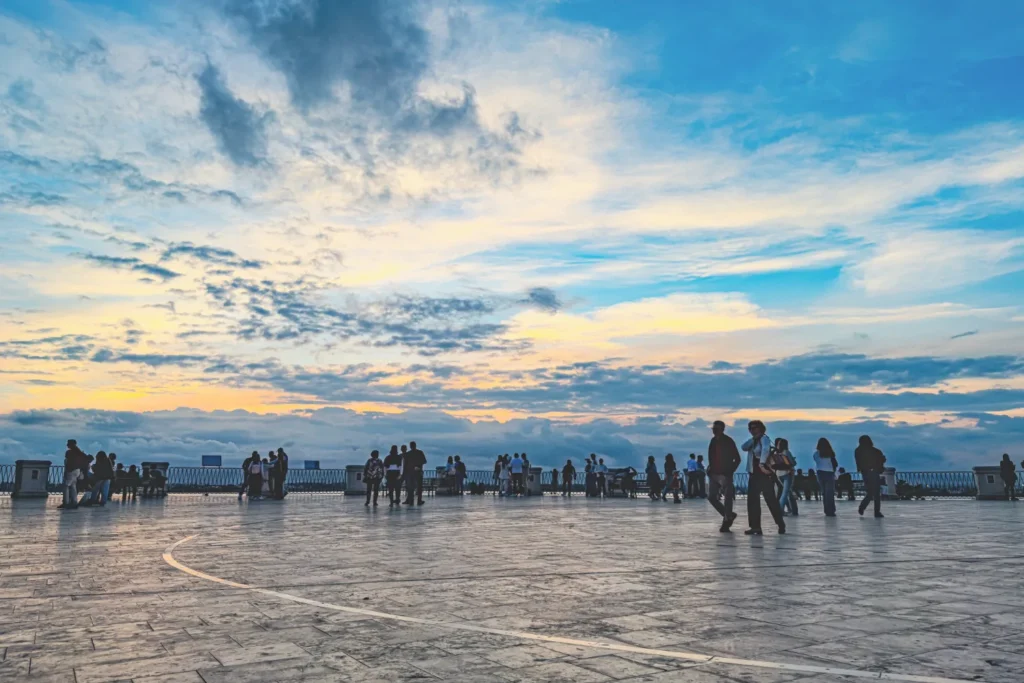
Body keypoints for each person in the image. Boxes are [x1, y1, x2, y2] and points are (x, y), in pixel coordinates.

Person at [741, 420, 786, 535]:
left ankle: (780, 523)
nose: (752, 430)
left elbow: (766, 450)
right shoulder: (753, 441)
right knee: (752, 501)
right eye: (750, 428)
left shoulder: (764, 439)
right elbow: (744, 447)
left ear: (761, 428)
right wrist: (753, 438)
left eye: (755, 427)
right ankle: (755, 526)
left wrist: (761, 464)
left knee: (770, 499)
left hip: (764, 473)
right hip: (753, 473)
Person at [707, 420, 742, 532]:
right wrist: (710, 468)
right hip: (714, 473)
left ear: (722, 429)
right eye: (713, 428)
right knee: (712, 497)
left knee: (728, 499)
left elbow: (737, 459)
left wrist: (729, 471)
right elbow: (712, 457)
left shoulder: (728, 441)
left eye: (716, 428)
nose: (714, 430)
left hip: (725, 473)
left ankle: (726, 521)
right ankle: (729, 515)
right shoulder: (713, 441)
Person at [855, 435, 887, 518]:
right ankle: (876, 512)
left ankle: (862, 507)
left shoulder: (858, 451)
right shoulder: (875, 451)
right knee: (876, 493)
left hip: (865, 473)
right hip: (874, 472)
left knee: (870, 492)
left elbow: (858, 462)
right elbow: (882, 460)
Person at [772, 438, 798, 516]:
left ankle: (791, 510)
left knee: (785, 492)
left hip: (779, 474)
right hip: (787, 473)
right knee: (785, 493)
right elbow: (793, 463)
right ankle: (780, 511)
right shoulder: (786, 452)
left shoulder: (776, 453)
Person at [60, 439, 88, 510]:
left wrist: (67, 471)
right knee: (73, 486)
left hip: (71, 470)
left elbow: (67, 462)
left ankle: (66, 502)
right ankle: (74, 502)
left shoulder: (69, 452)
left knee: (66, 486)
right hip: (77, 470)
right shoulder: (79, 452)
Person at [814, 438, 839, 516]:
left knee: (824, 492)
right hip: (829, 473)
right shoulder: (830, 453)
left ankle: (826, 510)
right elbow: (835, 464)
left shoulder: (816, 454)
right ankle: (831, 510)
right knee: (830, 492)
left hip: (820, 473)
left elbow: (817, 461)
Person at [403, 441, 427, 505]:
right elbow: (424, 461)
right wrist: (418, 465)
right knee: (419, 487)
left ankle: (411, 500)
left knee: (410, 487)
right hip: (418, 472)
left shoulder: (408, 454)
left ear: (410, 446)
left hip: (410, 472)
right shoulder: (420, 452)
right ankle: (419, 500)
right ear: (415, 445)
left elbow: (405, 464)